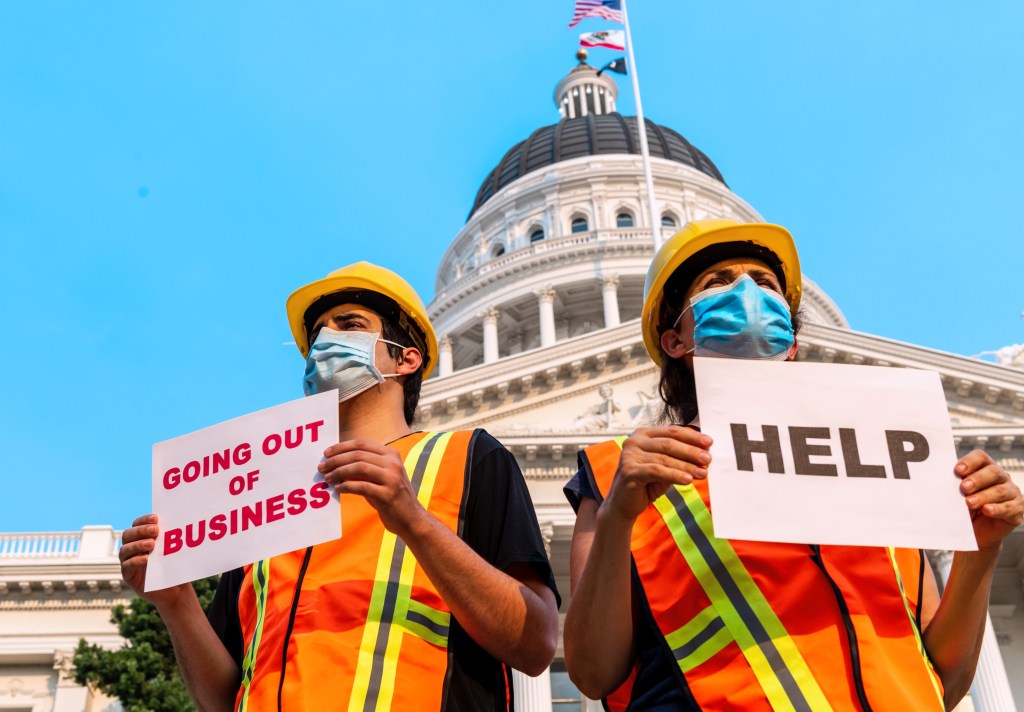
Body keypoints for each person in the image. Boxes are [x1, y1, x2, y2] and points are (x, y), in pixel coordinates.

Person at [562, 220, 1024, 711]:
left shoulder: (877, 458)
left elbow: (943, 684)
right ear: (675, 341)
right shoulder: (622, 472)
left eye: (764, 283)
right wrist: (617, 516)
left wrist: (981, 550)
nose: (746, 293)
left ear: (792, 338)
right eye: (717, 282)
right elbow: (593, 672)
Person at [120, 262, 560, 711]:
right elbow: (221, 699)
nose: (325, 344)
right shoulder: (262, 496)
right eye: (317, 337)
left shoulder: (467, 459)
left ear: (406, 358)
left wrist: (413, 521)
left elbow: (535, 643)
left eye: (349, 325)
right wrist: (175, 602)